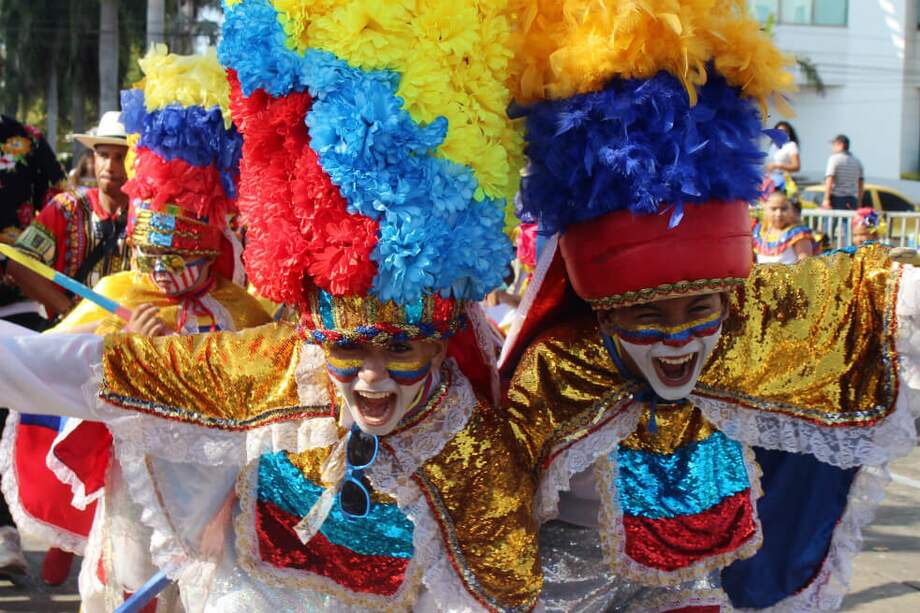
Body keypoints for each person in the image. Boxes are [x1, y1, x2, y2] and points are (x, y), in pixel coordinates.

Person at [0, 4, 541, 611]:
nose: (372, 374)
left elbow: (499, 594)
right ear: (316, 340)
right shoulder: (278, 370)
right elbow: (89, 367)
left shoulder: (473, 446)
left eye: (399, 348)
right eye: (348, 346)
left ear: (439, 345)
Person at [501, 3, 917, 611]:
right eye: (648, 316)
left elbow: (873, 300)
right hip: (571, 587)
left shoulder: (745, 330)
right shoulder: (559, 368)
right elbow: (497, 496)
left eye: (698, 310)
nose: (678, 342)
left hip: (696, 587)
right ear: (606, 315)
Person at [0, 48, 269, 602]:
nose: (165, 270)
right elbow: (51, 365)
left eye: (184, 248)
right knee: (128, 579)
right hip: (139, 489)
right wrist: (128, 354)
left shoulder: (239, 311)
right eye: (152, 252)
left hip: (222, 497)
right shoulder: (115, 290)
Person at [0, 115, 66, 577]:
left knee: (7, 420)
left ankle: (6, 530)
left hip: (16, 302)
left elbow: (61, 209)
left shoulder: (28, 141)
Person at [7, 111, 131, 319]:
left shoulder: (146, 215)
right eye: (103, 155)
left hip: (127, 340)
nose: (110, 166)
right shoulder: (66, 208)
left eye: (121, 157)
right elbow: (19, 264)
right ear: (93, 159)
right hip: (69, 340)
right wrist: (70, 313)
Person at [753, 192, 814, 263]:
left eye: (784, 209)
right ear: (765, 208)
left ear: (792, 210)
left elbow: (805, 266)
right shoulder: (758, 232)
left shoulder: (798, 234)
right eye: (774, 209)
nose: (778, 214)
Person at [823, 134, 864, 210]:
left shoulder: (834, 159)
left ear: (840, 145)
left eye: (834, 145)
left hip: (837, 199)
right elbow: (860, 183)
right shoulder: (857, 162)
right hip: (853, 200)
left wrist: (826, 199)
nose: (832, 148)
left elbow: (830, 179)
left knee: (833, 221)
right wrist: (859, 202)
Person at [765, 120, 800, 195]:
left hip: (784, 181)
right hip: (771, 181)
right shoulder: (773, 146)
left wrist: (778, 166)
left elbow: (796, 166)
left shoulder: (791, 145)